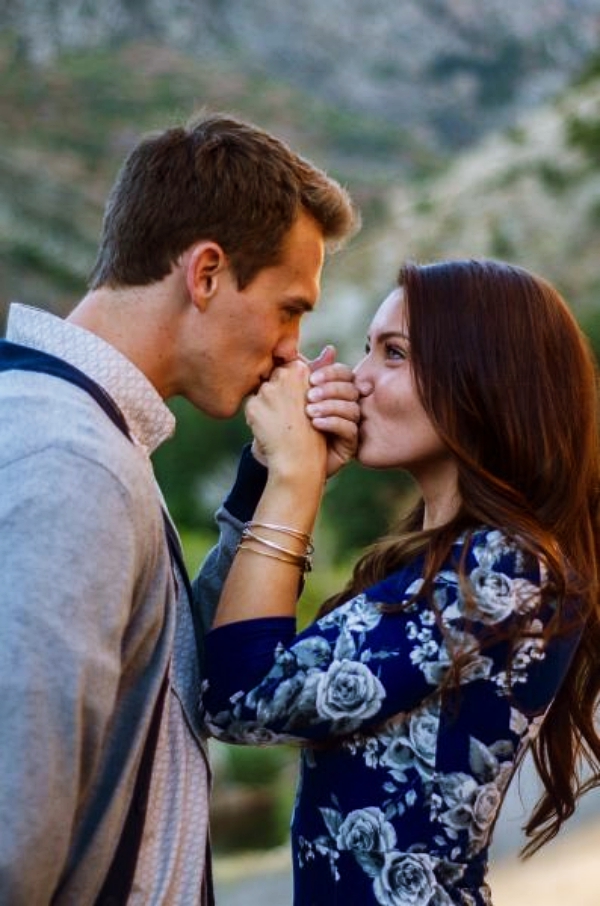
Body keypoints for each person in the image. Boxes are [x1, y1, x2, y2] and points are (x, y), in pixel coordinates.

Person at [0, 112, 361, 904]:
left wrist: (276, 478)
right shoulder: (71, 461)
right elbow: (13, 838)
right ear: (204, 274)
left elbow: (168, 684)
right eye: (289, 308)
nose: (293, 350)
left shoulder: (89, 434)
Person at [201, 258, 600, 905]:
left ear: (483, 378)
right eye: (366, 350)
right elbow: (222, 665)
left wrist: (296, 483)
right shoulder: (435, 565)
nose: (357, 381)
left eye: (393, 354)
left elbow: (242, 699)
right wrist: (266, 472)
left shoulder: (507, 571)